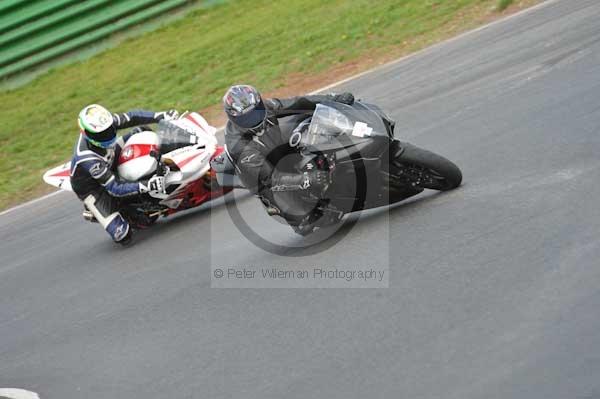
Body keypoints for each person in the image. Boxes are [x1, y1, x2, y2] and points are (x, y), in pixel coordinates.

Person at [223, 84, 355, 223]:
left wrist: (333, 99)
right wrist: (308, 179)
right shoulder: (238, 147)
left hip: (275, 147)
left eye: (256, 112)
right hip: (264, 178)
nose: (254, 119)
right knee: (311, 220)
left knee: (306, 118)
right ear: (233, 119)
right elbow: (271, 178)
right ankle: (282, 209)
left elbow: (299, 103)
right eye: (246, 118)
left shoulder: (267, 107)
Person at [70, 104, 179, 245]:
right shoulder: (87, 158)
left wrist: (160, 116)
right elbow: (115, 187)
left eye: (109, 130)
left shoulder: (107, 123)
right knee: (122, 235)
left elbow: (132, 117)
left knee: (141, 131)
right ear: (86, 133)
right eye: (101, 134)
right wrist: (147, 185)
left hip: (110, 155)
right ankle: (111, 208)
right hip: (92, 188)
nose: (108, 135)